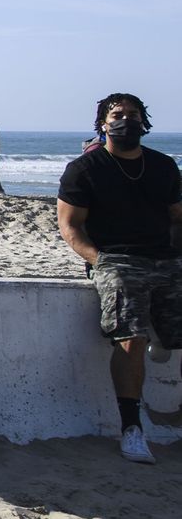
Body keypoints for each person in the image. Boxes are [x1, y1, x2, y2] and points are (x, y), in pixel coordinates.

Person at [57, 92, 182, 465]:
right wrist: (100, 260)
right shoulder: (85, 169)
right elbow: (70, 226)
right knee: (130, 333)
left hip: (164, 257)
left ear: (144, 122)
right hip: (116, 258)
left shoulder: (163, 166)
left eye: (133, 114)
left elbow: (178, 216)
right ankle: (132, 428)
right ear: (103, 124)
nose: (125, 120)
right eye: (117, 114)